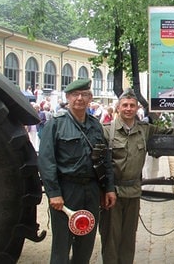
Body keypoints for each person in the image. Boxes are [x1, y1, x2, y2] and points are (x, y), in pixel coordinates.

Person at [99, 88, 174, 264]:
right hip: (112, 193)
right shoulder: (107, 131)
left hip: (133, 192)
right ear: (118, 108)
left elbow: (166, 133)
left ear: (137, 108)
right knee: (111, 239)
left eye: (132, 105)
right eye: (125, 105)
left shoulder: (144, 130)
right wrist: (105, 190)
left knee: (129, 238)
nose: (128, 109)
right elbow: (98, 163)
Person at [38, 79, 116, 264]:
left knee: (86, 242)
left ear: (90, 98)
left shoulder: (96, 125)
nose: (79, 98)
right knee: (62, 245)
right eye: (75, 94)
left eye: (84, 94)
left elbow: (104, 159)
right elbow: (46, 161)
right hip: (66, 190)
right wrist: (54, 193)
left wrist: (109, 188)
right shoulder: (55, 124)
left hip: (91, 190)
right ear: (67, 97)